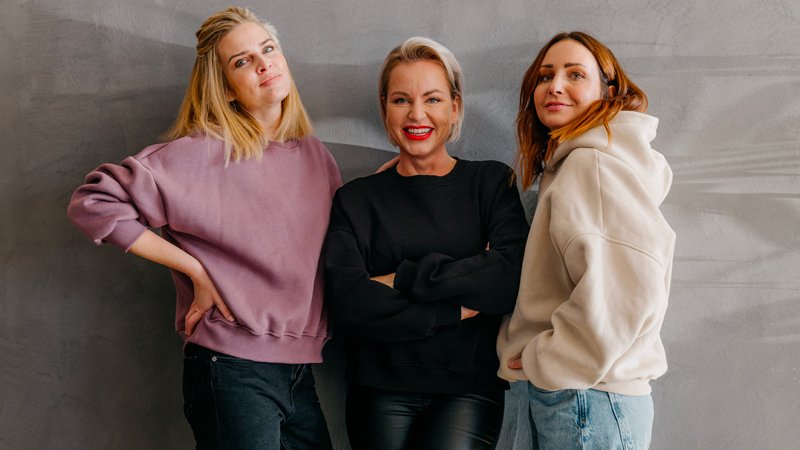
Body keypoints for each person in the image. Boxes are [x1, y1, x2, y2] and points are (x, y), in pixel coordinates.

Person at [67, 7, 339, 449]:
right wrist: (195, 270)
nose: (264, 63)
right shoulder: (201, 153)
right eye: (242, 61)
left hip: (298, 368)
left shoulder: (315, 156)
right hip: (230, 367)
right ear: (227, 90)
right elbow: (93, 203)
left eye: (268, 49)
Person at [323, 37, 529, 450]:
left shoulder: (490, 183)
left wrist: (395, 279)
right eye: (401, 100)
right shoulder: (356, 199)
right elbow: (346, 301)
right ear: (385, 107)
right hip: (377, 387)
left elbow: (507, 279)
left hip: (467, 388)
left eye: (432, 99)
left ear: (454, 107)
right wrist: (457, 305)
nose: (417, 114)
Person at [497, 31, 676, 449]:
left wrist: (549, 358)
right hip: (580, 393)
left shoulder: (591, 164)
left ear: (607, 92)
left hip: (584, 398)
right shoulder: (575, 164)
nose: (555, 85)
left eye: (575, 74)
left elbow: (628, 291)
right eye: (545, 76)